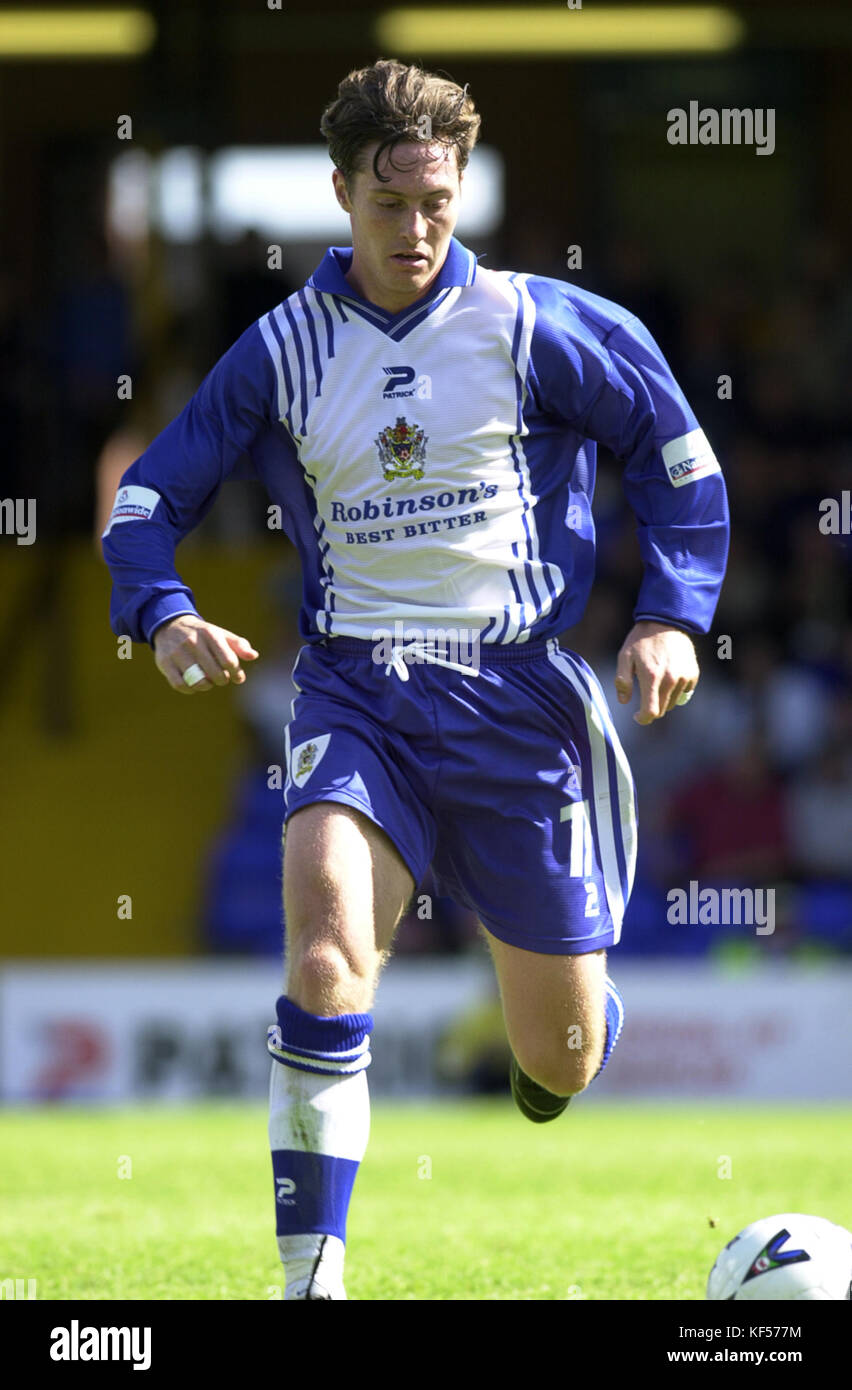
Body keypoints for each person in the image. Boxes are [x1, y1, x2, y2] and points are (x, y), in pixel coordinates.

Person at [102, 58, 729, 1300]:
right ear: (340, 194)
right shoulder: (280, 349)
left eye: (439, 201)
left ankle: (558, 1052)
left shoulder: (544, 324)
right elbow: (143, 500)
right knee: (328, 954)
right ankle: (311, 1277)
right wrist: (164, 613)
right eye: (390, 204)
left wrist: (673, 618)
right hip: (357, 697)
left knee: (562, 1052)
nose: (418, 228)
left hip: (526, 707)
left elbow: (680, 464)